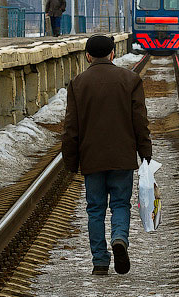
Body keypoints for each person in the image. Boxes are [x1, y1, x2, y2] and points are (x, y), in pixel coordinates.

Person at [62, 34, 152, 275]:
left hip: (92, 158)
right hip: (122, 157)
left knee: (95, 209)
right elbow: (139, 121)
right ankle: (119, 238)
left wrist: (70, 160)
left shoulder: (78, 83)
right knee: (121, 203)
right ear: (113, 53)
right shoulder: (130, 79)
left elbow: (71, 126)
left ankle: (100, 261)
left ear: (88, 56)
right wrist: (145, 152)